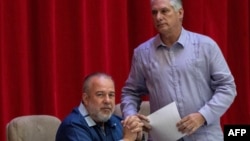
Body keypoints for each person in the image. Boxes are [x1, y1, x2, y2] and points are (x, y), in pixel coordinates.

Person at [120, 0, 237, 140]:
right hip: (164, 137)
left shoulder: (206, 46)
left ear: (180, 13)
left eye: (164, 11)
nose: (158, 17)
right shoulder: (142, 53)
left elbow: (227, 87)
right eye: (154, 12)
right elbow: (130, 92)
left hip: (205, 135)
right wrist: (131, 117)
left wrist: (203, 116)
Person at [56, 72, 144, 141]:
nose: (107, 100)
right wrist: (127, 140)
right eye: (100, 95)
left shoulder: (117, 122)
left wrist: (137, 137)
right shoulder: (72, 127)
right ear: (86, 99)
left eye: (111, 95)